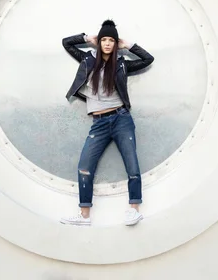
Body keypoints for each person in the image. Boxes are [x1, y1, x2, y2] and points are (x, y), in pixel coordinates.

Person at [60, 20, 155, 226]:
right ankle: (84, 216)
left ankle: (134, 209)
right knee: (85, 166)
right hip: (99, 123)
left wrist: (128, 45)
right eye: (104, 39)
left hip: (121, 119)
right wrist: (87, 39)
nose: (108, 43)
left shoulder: (121, 64)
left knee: (131, 164)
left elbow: (148, 59)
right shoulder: (87, 59)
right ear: (99, 41)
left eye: (111, 40)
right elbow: (66, 43)